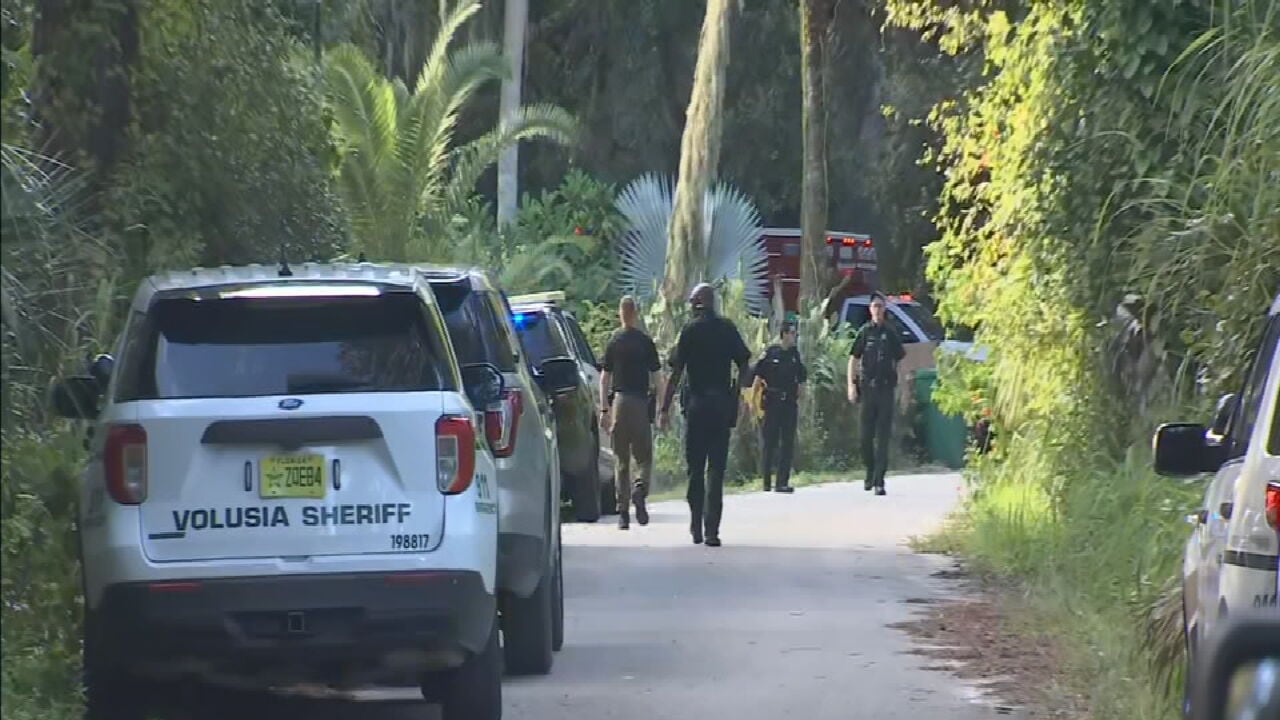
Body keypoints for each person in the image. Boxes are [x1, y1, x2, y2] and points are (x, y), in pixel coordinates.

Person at [658, 283, 750, 547]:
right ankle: (712, 530)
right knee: (716, 471)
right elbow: (745, 364)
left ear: (698, 303)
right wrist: (738, 394)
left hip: (696, 407)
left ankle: (696, 524)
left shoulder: (690, 330)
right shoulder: (727, 328)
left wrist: (664, 408)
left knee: (695, 469)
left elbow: (676, 372)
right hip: (721, 407)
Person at [599, 296, 661, 531]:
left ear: (620, 314)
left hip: (619, 403)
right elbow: (658, 378)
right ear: (635, 314)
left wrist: (604, 409)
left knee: (621, 460)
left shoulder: (614, 341)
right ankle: (640, 488)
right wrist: (662, 406)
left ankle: (623, 514)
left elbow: (604, 379)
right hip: (639, 403)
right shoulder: (645, 342)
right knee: (644, 457)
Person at [847, 292, 905, 496]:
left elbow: (900, 361)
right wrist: (851, 385)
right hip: (868, 390)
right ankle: (870, 470)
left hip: (886, 389)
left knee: (882, 437)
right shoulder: (865, 332)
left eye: (880, 306)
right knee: (865, 438)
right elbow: (853, 359)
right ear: (870, 309)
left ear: (884, 309)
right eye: (875, 306)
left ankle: (879, 480)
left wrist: (904, 388)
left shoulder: (890, 333)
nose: (878, 310)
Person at [754, 323, 806, 493]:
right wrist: (754, 402)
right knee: (770, 442)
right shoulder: (771, 353)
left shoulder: (794, 354)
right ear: (784, 334)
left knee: (787, 443)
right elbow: (758, 376)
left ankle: (782, 482)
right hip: (772, 402)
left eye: (795, 333)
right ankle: (766, 481)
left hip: (789, 403)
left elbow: (801, 378)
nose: (794, 336)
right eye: (791, 333)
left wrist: (801, 398)